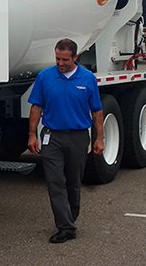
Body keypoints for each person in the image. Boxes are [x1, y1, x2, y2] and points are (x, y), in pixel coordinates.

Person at [27, 38, 105, 243]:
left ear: (75, 58)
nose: (60, 64)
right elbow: (36, 107)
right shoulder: (45, 77)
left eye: (65, 60)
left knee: (73, 182)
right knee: (55, 182)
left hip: (78, 137)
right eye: (57, 59)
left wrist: (99, 138)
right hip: (52, 137)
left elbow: (97, 111)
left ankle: (70, 217)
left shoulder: (87, 78)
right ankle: (65, 226)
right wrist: (32, 134)